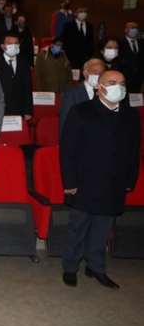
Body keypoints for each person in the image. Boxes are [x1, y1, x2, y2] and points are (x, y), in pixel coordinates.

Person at [60, 70, 140, 289]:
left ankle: (95, 267)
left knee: (103, 228)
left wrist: (130, 180)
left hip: (115, 182)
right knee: (78, 227)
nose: (118, 87)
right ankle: (70, 267)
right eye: (112, 82)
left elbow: (133, 150)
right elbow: (68, 150)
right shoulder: (81, 111)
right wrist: (70, 183)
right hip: (85, 183)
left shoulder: (131, 115)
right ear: (99, 87)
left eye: (122, 83)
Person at [0, 34, 33, 121]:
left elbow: (27, 88)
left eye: (16, 43)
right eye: (10, 43)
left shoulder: (24, 64)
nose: (13, 46)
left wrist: (28, 111)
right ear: (3, 46)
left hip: (18, 110)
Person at [59, 58, 106, 137]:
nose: (98, 75)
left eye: (102, 73)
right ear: (85, 73)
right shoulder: (72, 94)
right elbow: (65, 123)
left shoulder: (107, 92)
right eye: (95, 72)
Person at [120, 22, 143, 92]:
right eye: (133, 28)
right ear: (126, 30)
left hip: (139, 78)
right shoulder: (120, 43)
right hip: (125, 77)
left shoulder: (142, 43)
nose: (135, 30)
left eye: (137, 28)